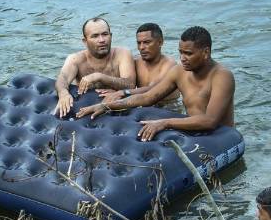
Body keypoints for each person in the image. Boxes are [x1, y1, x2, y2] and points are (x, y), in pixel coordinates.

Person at [74, 26, 236, 139]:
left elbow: (209, 121)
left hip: (221, 137)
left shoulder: (222, 76)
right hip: (192, 130)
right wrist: (106, 106)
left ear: (206, 52)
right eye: (180, 52)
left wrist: (164, 123)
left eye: (188, 53)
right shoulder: (179, 71)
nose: (182, 58)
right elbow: (148, 97)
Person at [52, 18, 136, 117]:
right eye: (95, 36)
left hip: (117, 109)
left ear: (111, 36)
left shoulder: (122, 54)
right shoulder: (76, 59)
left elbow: (130, 84)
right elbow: (62, 79)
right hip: (86, 110)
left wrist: (100, 77)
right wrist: (63, 94)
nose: (102, 40)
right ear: (85, 41)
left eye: (105, 34)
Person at [76, 23, 174, 103]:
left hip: (169, 107)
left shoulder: (170, 65)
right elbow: (127, 82)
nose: (141, 47)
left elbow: (153, 89)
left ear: (160, 42)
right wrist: (115, 91)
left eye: (147, 42)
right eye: (139, 43)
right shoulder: (136, 62)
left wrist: (122, 92)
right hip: (144, 105)